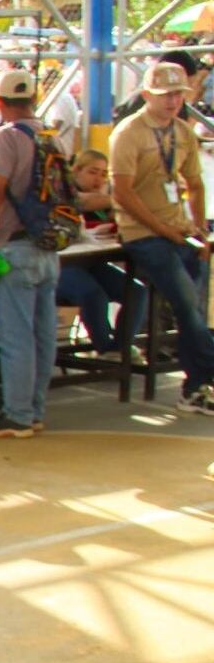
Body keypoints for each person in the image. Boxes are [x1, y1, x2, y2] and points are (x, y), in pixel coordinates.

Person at [0, 69, 69, 436]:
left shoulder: (8, 138)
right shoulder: (50, 137)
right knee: (43, 334)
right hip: (47, 247)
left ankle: (18, 414)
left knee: (16, 337)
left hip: (13, 247)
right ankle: (35, 410)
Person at [110, 60, 214, 415]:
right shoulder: (129, 132)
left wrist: (198, 226)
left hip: (181, 232)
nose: (172, 101)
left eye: (178, 95)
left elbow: (195, 183)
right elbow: (122, 192)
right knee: (186, 304)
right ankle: (204, 379)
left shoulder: (183, 132)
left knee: (195, 310)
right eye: (165, 95)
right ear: (146, 96)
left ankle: (197, 385)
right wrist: (162, 228)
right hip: (144, 234)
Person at [56, 148, 144, 359]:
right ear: (76, 170)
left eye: (104, 174)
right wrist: (123, 199)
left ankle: (120, 348)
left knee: (136, 291)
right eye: (93, 172)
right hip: (61, 265)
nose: (98, 179)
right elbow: (80, 202)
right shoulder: (64, 191)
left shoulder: (103, 199)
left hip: (93, 261)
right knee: (93, 294)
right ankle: (105, 348)